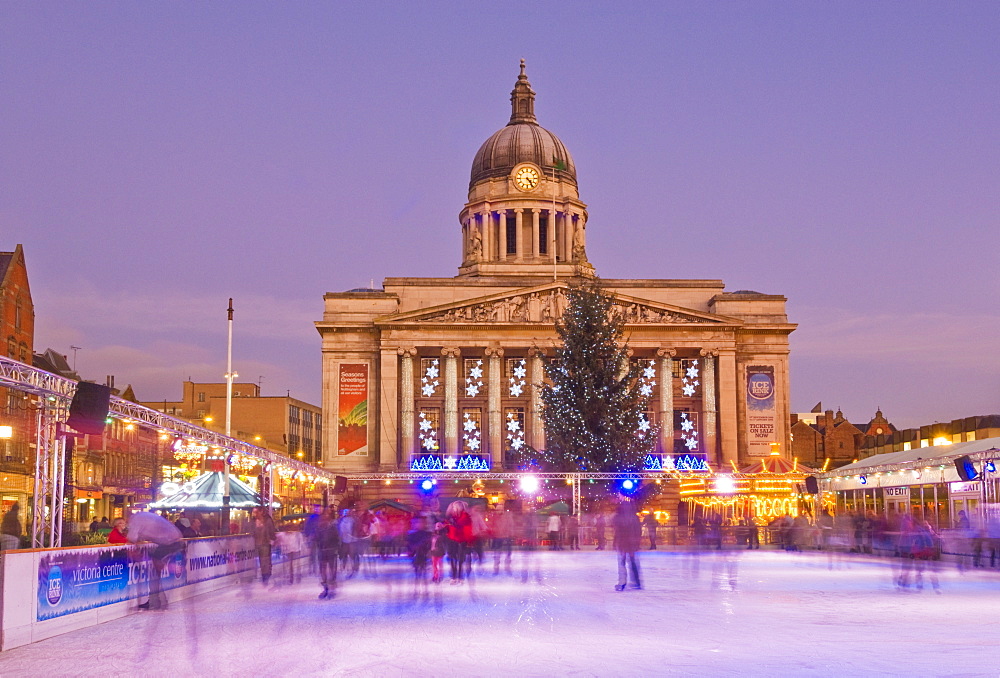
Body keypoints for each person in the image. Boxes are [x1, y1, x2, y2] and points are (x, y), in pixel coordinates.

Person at [127, 510, 184, 610]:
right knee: (156, 571)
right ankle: (157, 599)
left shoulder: (135, 520)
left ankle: (156, 600)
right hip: (176, 540)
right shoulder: (145, 516)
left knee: (155, 571)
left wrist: (132, 550)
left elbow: (132, 538)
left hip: (169, 542)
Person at [613, 500, 642, 591]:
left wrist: (615, 542)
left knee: (622, 563)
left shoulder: (618, 517)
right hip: (632, 543)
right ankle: (637, 582)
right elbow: (638, 531)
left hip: (622, 543)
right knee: (633, 562)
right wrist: (637, 542)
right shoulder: (635, 517)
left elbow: (617, 531)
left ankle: (622, 582)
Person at [446, 500, 473, 583]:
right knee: (453, 558)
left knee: (460, 559)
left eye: (455, 507)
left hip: (461, 540)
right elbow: (447, 527)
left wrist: (453, 525)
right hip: (452, 539)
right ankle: (454, 576)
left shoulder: (465, 516)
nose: (454, 509)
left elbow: (465, 527)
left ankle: (459, 576)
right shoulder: (451, 517)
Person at [252, 507, 277, 585]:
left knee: (265, 561)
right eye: (253, 512)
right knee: (261, 561)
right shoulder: (253, 522)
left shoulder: (267, 520)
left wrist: (272, 539)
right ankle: (265, 575)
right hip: (257, 544)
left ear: (261, 512)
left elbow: (272, 530)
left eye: (256, 512)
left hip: (265, 544)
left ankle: (266, 576)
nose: (254, 514)